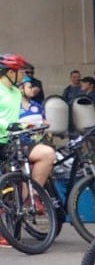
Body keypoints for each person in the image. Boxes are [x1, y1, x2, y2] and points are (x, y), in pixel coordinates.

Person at [0, 55, 55, 189]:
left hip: (11, 141)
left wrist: (31, 125)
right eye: (22, 72)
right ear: (11, 73)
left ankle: (30, 200)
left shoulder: (16, 93)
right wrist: (8, 125)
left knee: (47, 154)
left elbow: (15, 117)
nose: (25, 76)